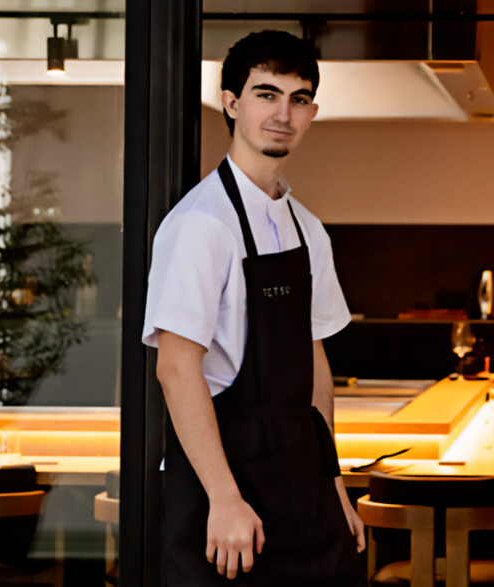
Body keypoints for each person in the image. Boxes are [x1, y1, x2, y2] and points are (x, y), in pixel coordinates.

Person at [142, 30, 366, 586]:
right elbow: (175, 368)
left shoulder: (307, 229)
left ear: (312, 112)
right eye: (266, 94)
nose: (282, 114)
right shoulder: (201, 224)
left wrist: (333, 483)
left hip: (301, 479)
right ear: (232, 102)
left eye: (299, 98)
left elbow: (314, 363)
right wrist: (224, 498)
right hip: (224, 483)